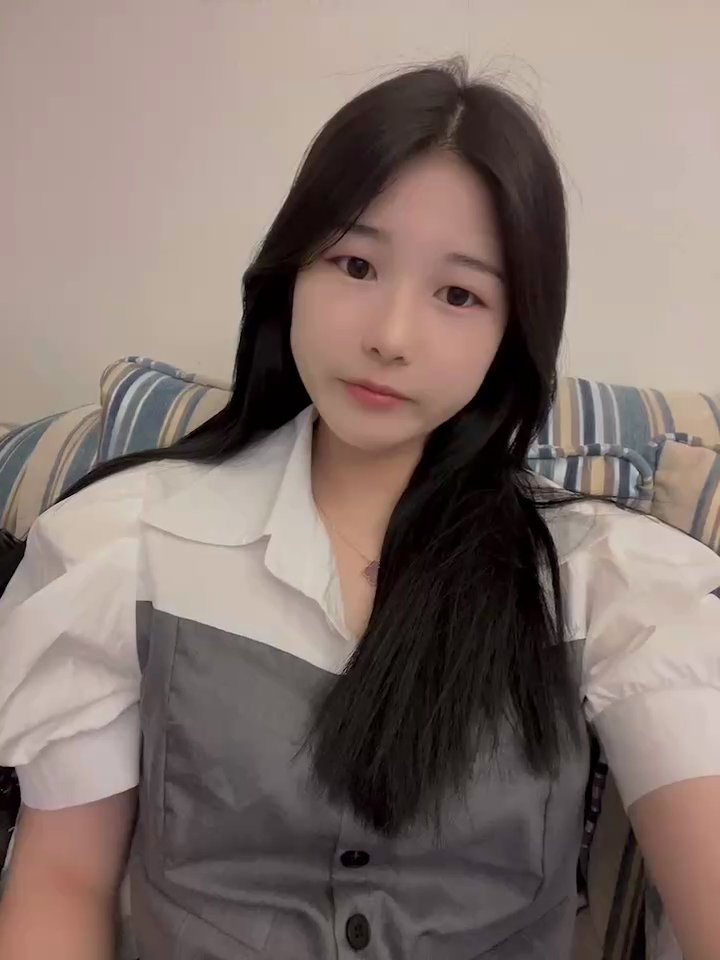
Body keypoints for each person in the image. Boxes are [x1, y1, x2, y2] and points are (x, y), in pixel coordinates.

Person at [0, 59, 718, 960]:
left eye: (459, 294)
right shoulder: (122, 544)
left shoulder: (602, 578)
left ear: (512, 332)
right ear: (290, 272)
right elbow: (64, 878)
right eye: (355, 264)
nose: (391, 336)